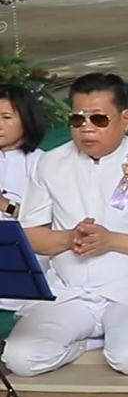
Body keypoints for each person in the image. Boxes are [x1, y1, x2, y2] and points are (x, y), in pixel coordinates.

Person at [0, 74, 128, 378]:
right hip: (68, 290)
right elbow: (32, 235)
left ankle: (115, 337)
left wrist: (110, 240)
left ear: (125, 118)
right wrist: (69, 238)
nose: (86, 128)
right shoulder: (49, 163)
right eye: (77, 119)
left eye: (99, 118)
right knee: (20, 359)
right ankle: (88, 341)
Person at [0, 84, 46, 313]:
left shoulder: (44, 164)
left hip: (28, 265)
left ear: (26, 120)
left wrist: (4, 205)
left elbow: (51, 221)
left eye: (6, 117)